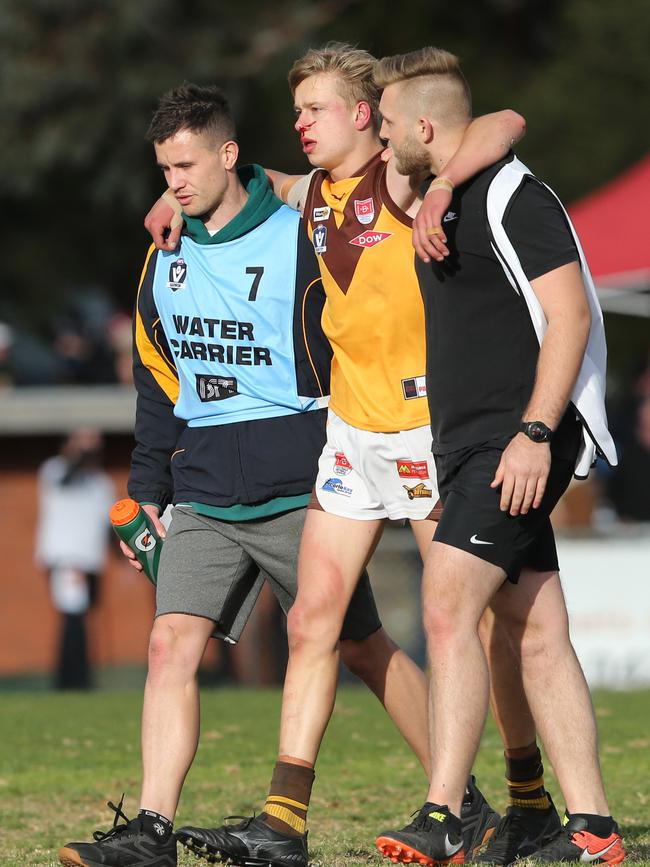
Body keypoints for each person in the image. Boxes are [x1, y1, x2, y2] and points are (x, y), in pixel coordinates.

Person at [160, 47, 563, 867]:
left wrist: (445, 184)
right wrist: (162, 202)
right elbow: (242, 178)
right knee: (315, 618)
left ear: (364, 115)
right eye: (298, 108)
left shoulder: (403, 177)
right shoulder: (311, 192)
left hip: (426, 429)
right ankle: (282, 823)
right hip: (351, 431)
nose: (301, 121)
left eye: (315, 108)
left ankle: (527, 802)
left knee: (486, 622)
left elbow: (507, 121)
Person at [58, 80, 445, 867]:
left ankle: (457, 794)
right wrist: (148, 495)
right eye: (164, 168)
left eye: (188, 164)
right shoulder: (162, 253)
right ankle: (151, 829)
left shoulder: (302, 232)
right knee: (171, 644)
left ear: (230, 155)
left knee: (363, 645)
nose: (174, 183)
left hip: (304, 480)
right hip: (202, 485)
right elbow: (156, 383)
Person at [372, 47, 625, 865]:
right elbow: (486, 120)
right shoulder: (430, 190)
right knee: (534, 625)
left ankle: (445, 811)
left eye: (386, 125)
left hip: (517, 440)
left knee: (447, 603)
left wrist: (537, 434)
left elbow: (571, 319)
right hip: (472, 445)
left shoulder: (516, 196)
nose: (379, 141)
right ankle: (590, 827)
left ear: (421, 128)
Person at [35, 428, 114, 690]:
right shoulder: (54, 470)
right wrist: (79, 447)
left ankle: (79, 679)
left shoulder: (101, 482)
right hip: (66, 559)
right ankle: (71, 681)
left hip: (91, 561)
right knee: (73, 617)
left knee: (82, 617)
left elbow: (108, 525)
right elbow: (68, 475)